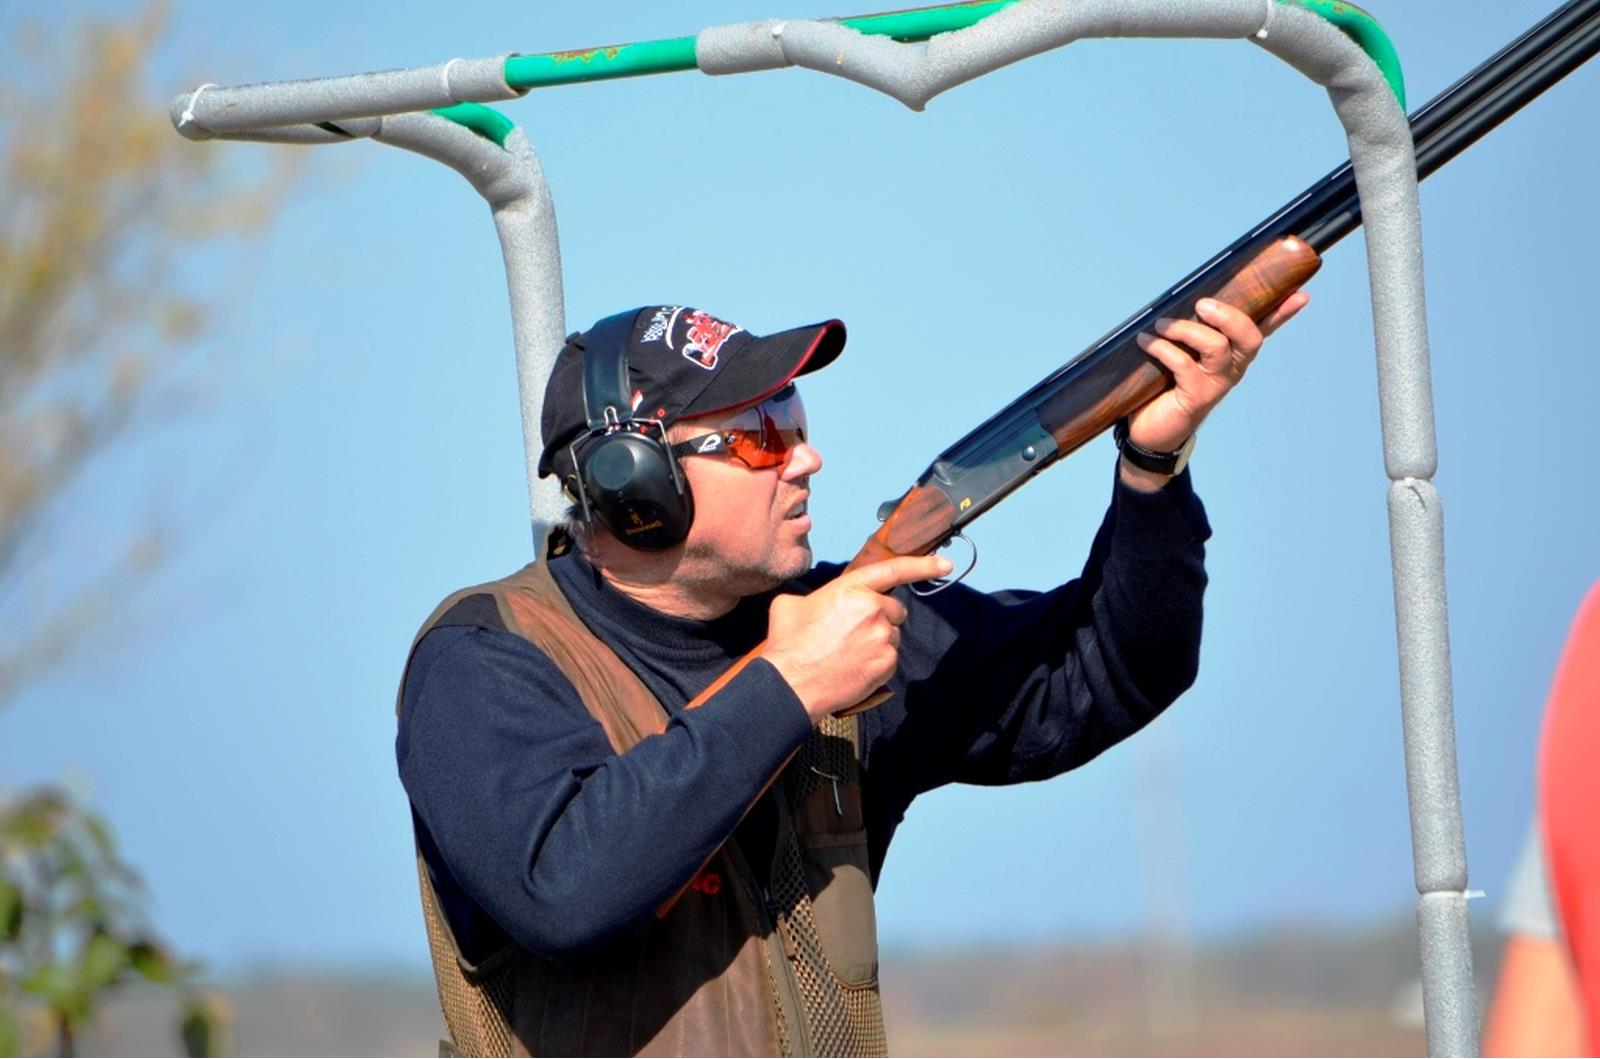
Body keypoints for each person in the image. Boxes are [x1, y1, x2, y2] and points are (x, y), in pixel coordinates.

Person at [395, 293, 1306, 1057]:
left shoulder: (842, 622)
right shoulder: (487, 657)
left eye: (796, 423)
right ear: (637, 482)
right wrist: (790, 683)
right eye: (761, 437)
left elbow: (1112, 669)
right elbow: (567, 891)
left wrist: (1153, 467)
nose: (807, 458)